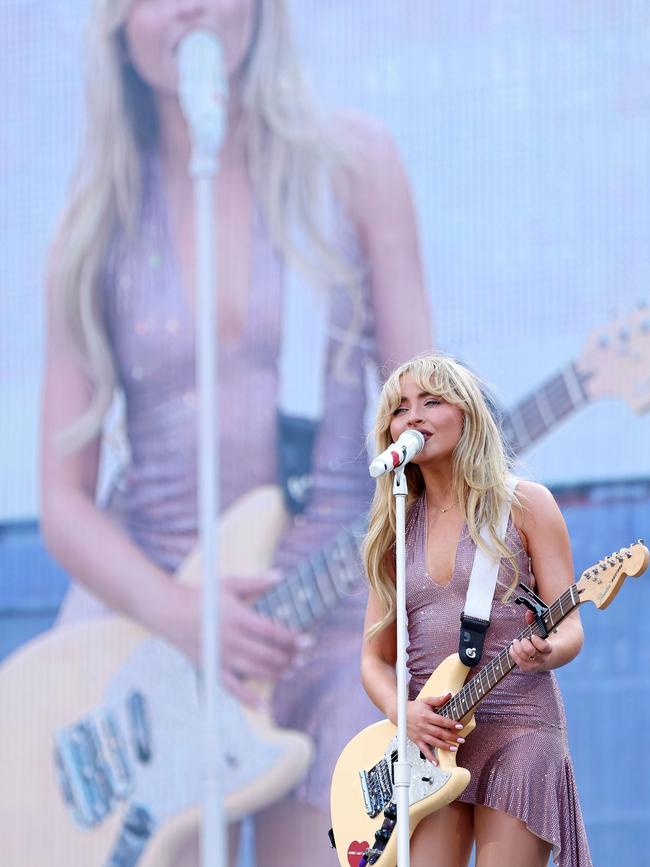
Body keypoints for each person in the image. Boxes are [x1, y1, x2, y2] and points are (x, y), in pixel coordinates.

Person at [40, 0, 431, 865]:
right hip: (152, 633)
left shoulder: (354, 169)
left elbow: (426, 427)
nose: (189, 6)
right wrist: (181, 612)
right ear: (114, 23)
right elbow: (61, 502)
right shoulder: (93, 221)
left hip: (330, 629)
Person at [360, 353, 592, 867]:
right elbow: (373, 660)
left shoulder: (525, 505)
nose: (413, 417)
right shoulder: (396, 530)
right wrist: (406, 715)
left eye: (432, 402)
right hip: (431, 745)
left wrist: (547, 651)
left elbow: (570, 625)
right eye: (400, 409)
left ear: (467, 415)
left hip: (519, 727)